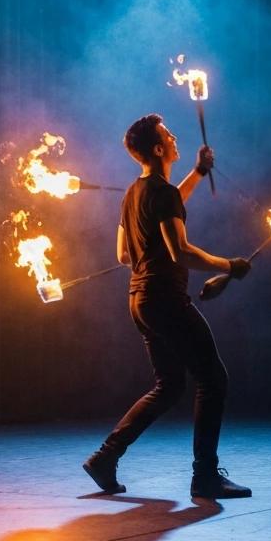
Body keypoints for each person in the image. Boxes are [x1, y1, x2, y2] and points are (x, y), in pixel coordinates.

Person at [82, 114, 253, 500]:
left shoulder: (133, 193)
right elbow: (180, 251)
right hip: (164, 299)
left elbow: (125, 255)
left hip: (139, 301)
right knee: (213, 379)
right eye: (169, 135)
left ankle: (104, 458)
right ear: (159, 149)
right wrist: (229, 266)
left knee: (171, 385)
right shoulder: (162, 194)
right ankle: (205, 476)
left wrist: (196, 172)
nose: (175, 137)